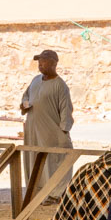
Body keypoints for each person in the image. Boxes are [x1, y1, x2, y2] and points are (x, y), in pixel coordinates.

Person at [20, 49, 75, 203]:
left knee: (53, 161)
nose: (40, 65)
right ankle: (36, 192)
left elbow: (66, 109)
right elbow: (26, 97)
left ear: (53, 63)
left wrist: (63, 132)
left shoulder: (60, 85)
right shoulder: (35, 80)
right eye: (39, 62)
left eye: (43, 62)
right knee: (34, 160)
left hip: (51, 132)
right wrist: (24, 105)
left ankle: (55, 193)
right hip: (33, 130)